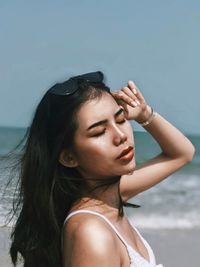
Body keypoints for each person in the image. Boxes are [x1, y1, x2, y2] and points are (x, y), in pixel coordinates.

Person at [9, 71, 195, 267]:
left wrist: (144, 115)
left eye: (121, 119)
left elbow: (181, 153)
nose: (120, 136)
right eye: (99, 131)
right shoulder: (91, 232)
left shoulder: (109, 198)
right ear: (69, 157)